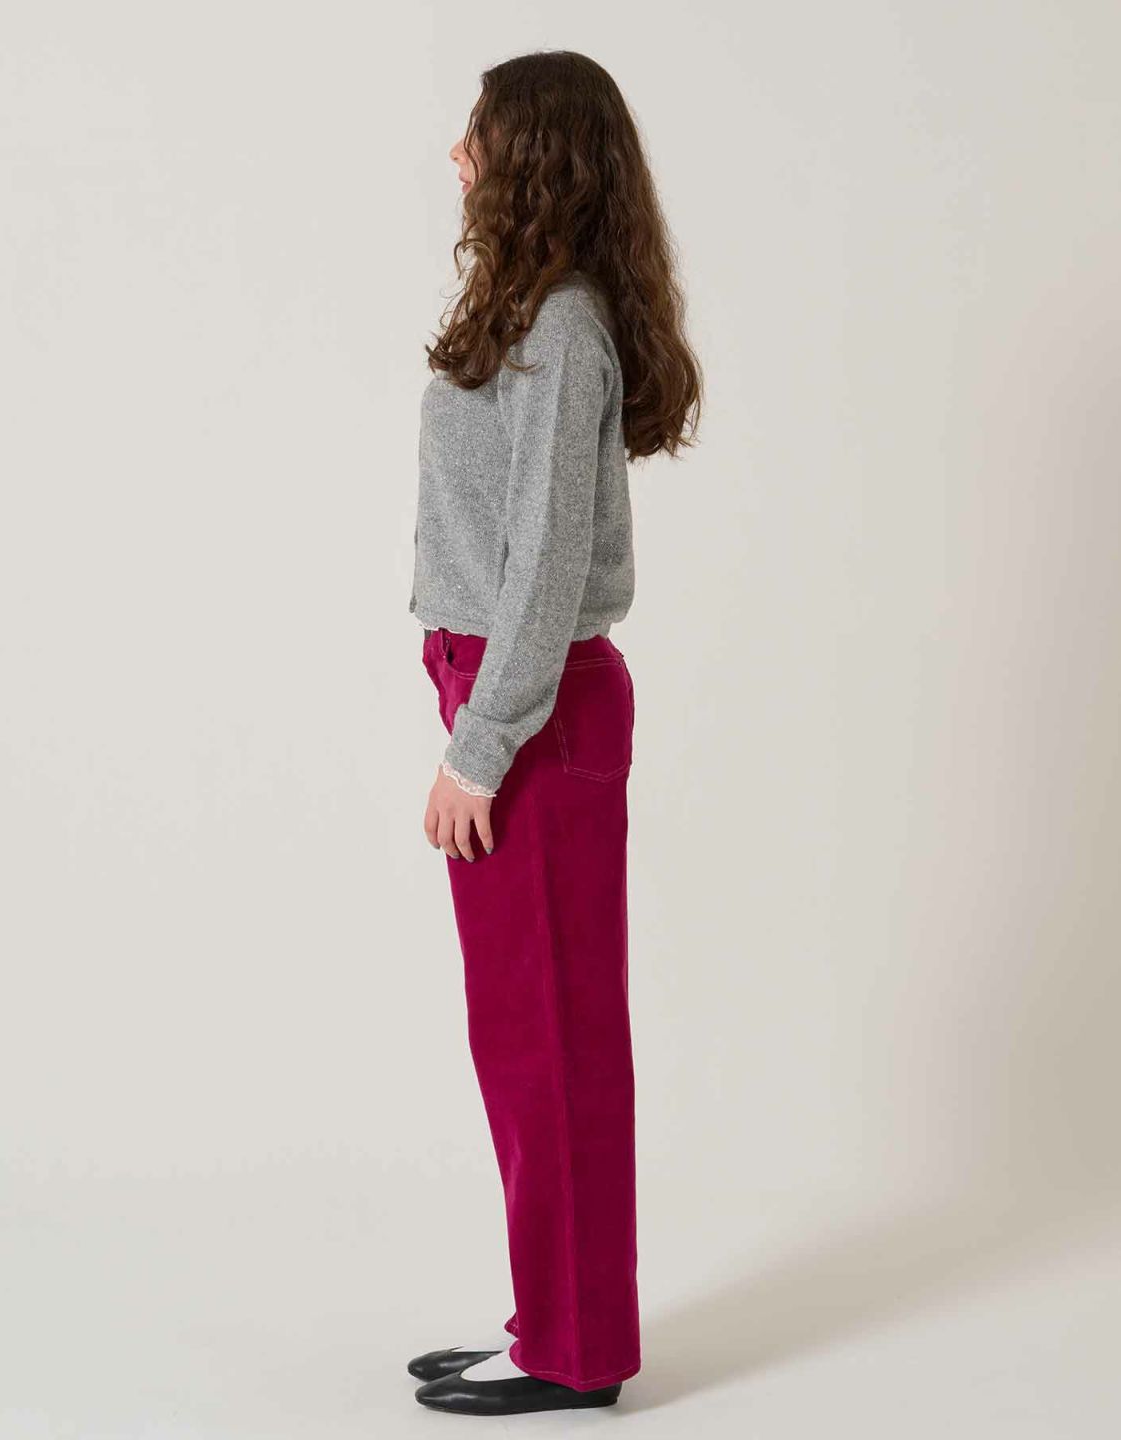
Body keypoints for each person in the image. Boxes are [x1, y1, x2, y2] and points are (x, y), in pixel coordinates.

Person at [407, 49, 702, 1417]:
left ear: (529, 153)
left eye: (476, 133)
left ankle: (573, 1356)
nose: (457, 154)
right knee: (524, 1037)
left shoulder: (566, 329)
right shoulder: (533, 311)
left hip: (532, 710)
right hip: (506, 693)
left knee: (555, 1040)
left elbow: (546, 564)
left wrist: (480, 746)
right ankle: (553, 1319)